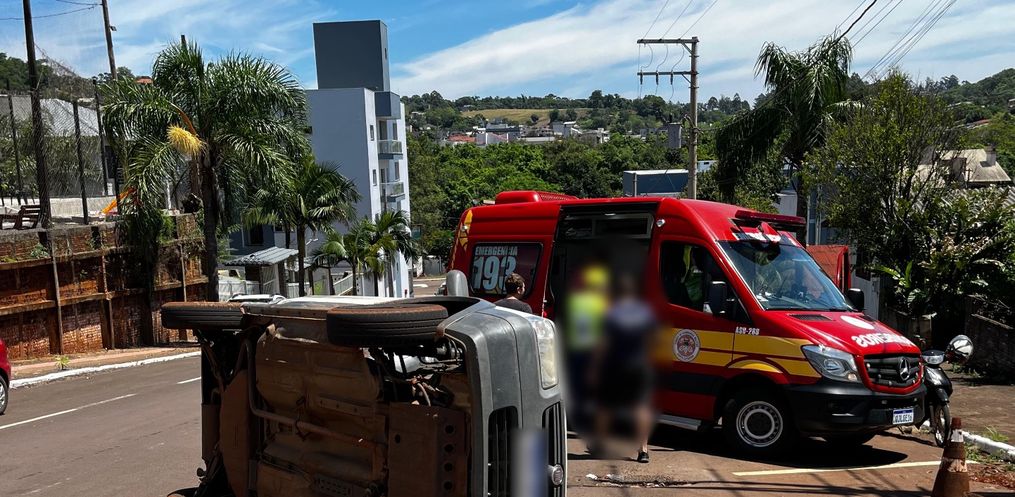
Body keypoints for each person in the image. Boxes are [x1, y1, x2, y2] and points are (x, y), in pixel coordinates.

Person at [589, 272, 657, 464]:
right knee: (641, 407)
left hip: (615, 365)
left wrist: (594, 368)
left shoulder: (610, 314)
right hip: (640, 365)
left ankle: (600, 444)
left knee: (605, 406)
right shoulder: (645, 314)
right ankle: (643, 450)